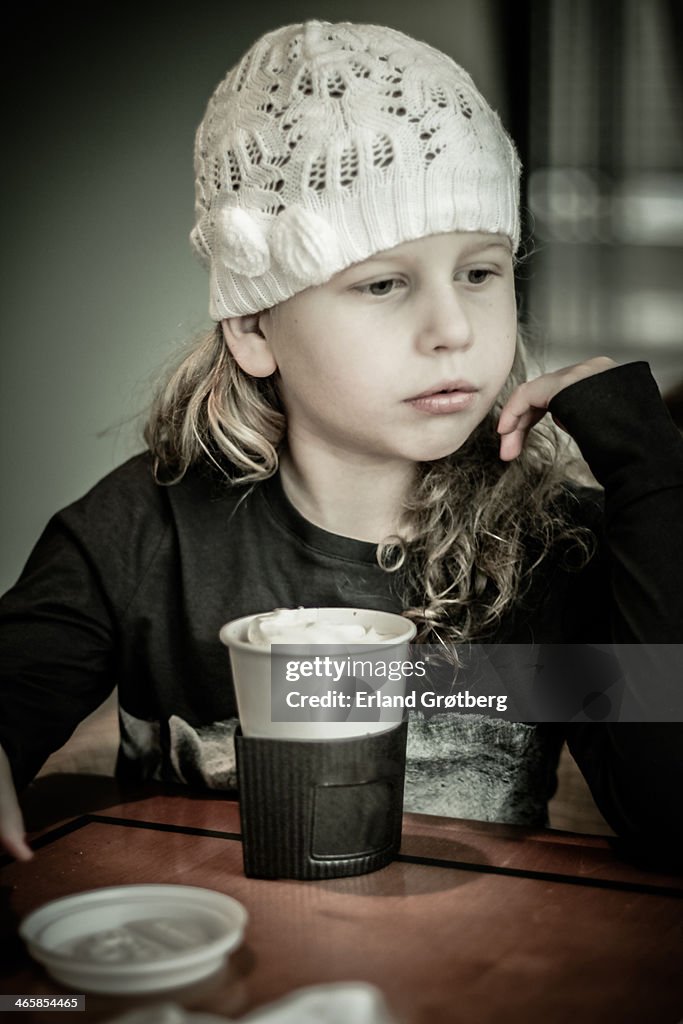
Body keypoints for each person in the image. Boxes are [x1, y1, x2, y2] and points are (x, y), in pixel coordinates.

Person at [1, 20, 682, 864]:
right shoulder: (145, 530)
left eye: (480, 272)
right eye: (384, 283)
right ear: (254, 329)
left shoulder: (554, 546)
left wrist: (649, 468)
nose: (452, 329)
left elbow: (668, 812)